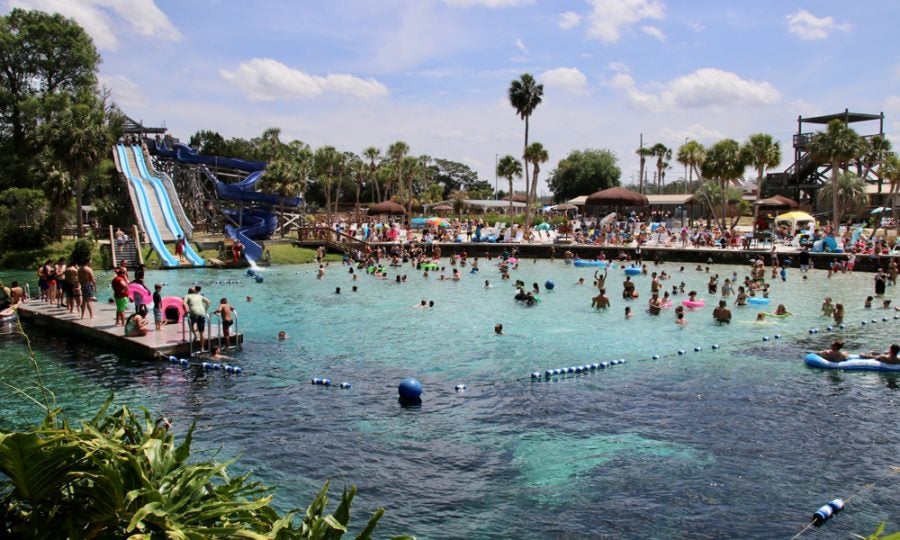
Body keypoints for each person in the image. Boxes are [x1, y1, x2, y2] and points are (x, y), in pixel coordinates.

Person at [183, 286, 211, 352]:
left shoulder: (187, 296)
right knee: (202, 332)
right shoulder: (199, 296)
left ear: (188, 292)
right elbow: (208, 302)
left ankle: (195, 335)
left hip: (194, 313)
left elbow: (184, 303)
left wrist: (186, 312)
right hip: (202, 313)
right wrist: (205, 310)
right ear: (195, 291)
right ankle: (202, 348)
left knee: (191, 324)